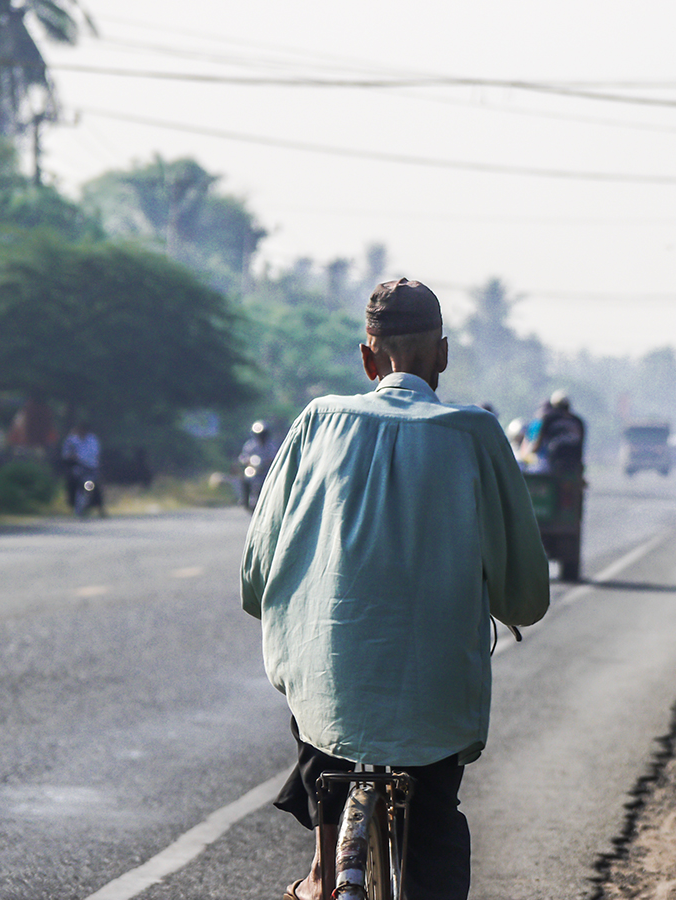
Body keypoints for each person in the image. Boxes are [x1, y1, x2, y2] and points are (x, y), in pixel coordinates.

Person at [240, 278, 550, 900]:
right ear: (442, 354)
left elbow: (255, 578)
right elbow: (525, 598)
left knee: (320, 753)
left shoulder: (316, 423)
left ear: (366, 357)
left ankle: (323, 874)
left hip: (329, 689)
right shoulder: (475, 435)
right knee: (433, 817)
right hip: (433, 701)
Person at [532, 390, 585, 475]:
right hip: (574, 462)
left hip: (555, 460)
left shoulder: (549, 419)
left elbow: (538, 443)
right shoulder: (578, 421)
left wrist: (533, 451)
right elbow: (581, 445)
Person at [60, 422, 104, 515]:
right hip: (77, 467)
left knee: (92, 486)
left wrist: (78, 456)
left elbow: (94, 453)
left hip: (90, 467)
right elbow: (65, 454)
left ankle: (98, 507)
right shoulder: (71, 440)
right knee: (71, 484)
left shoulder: (92, 440)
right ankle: (74, 505)